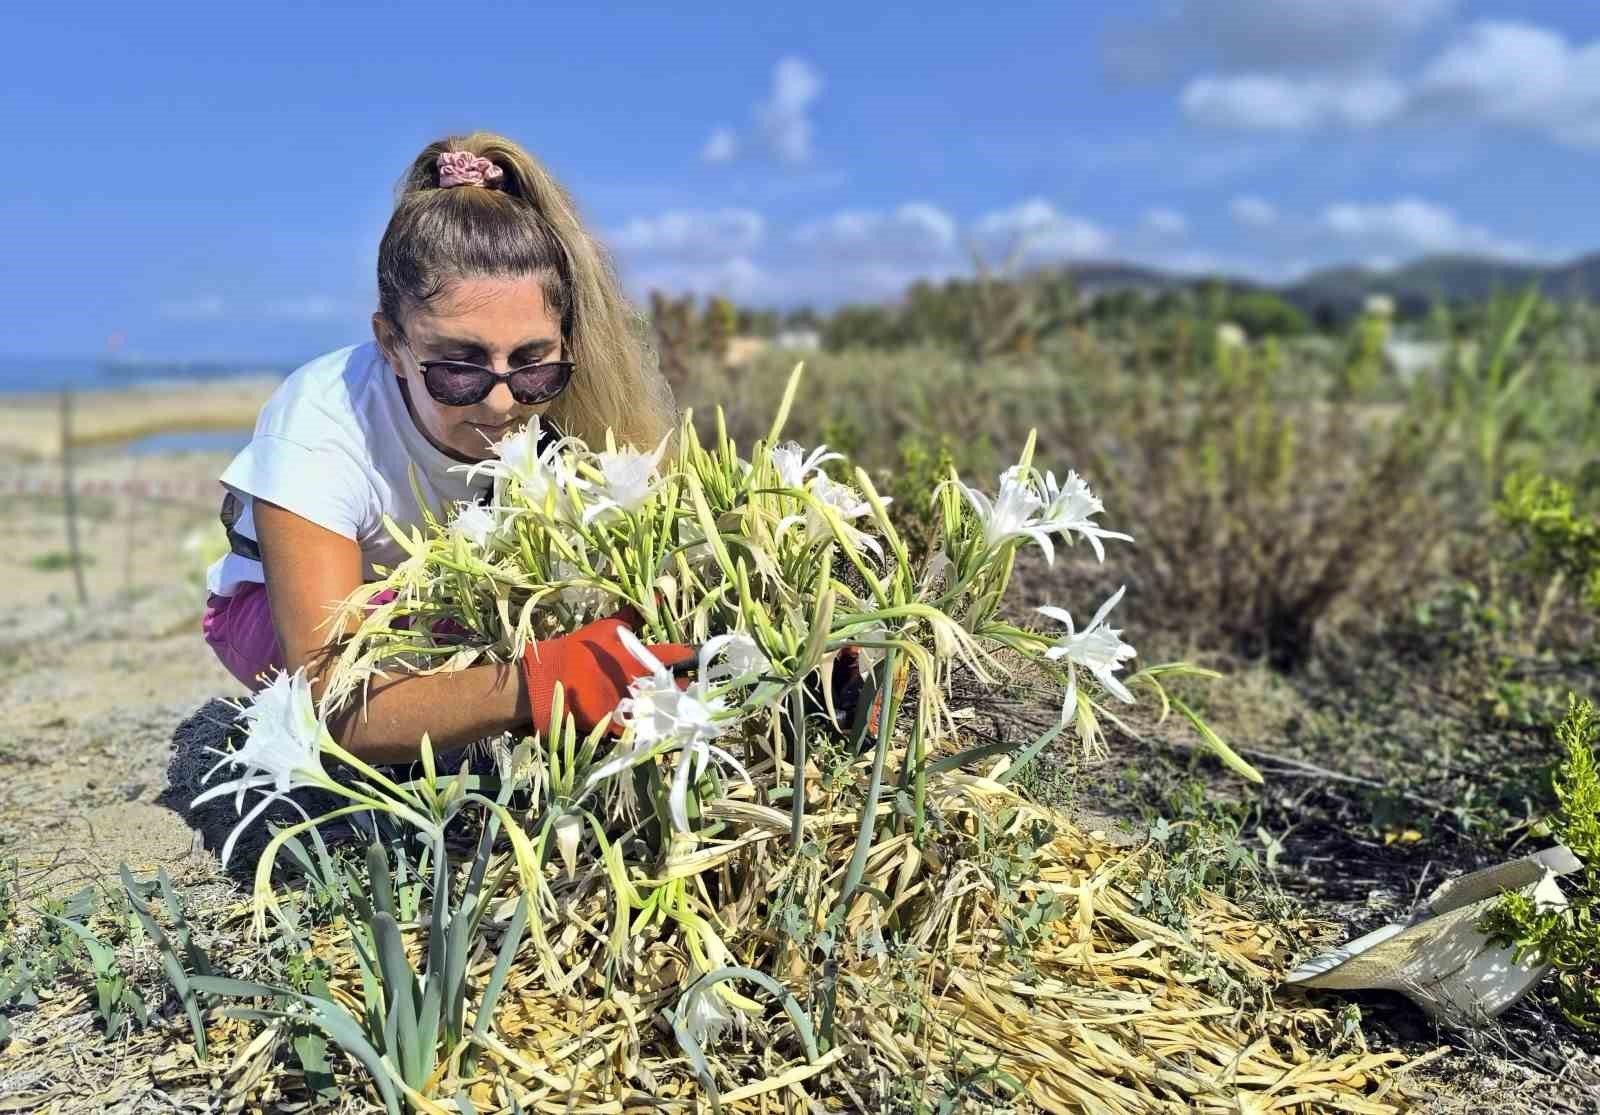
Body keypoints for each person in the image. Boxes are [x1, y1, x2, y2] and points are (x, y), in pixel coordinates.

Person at [201, 132, 692, 764]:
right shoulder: (319, 423)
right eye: (457, 368)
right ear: (391, 343)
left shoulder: (574, 407)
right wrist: (541, 683)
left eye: (533, 363)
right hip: (284, 620)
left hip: (448, 607)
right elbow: (328, 697)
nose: (501, 402)